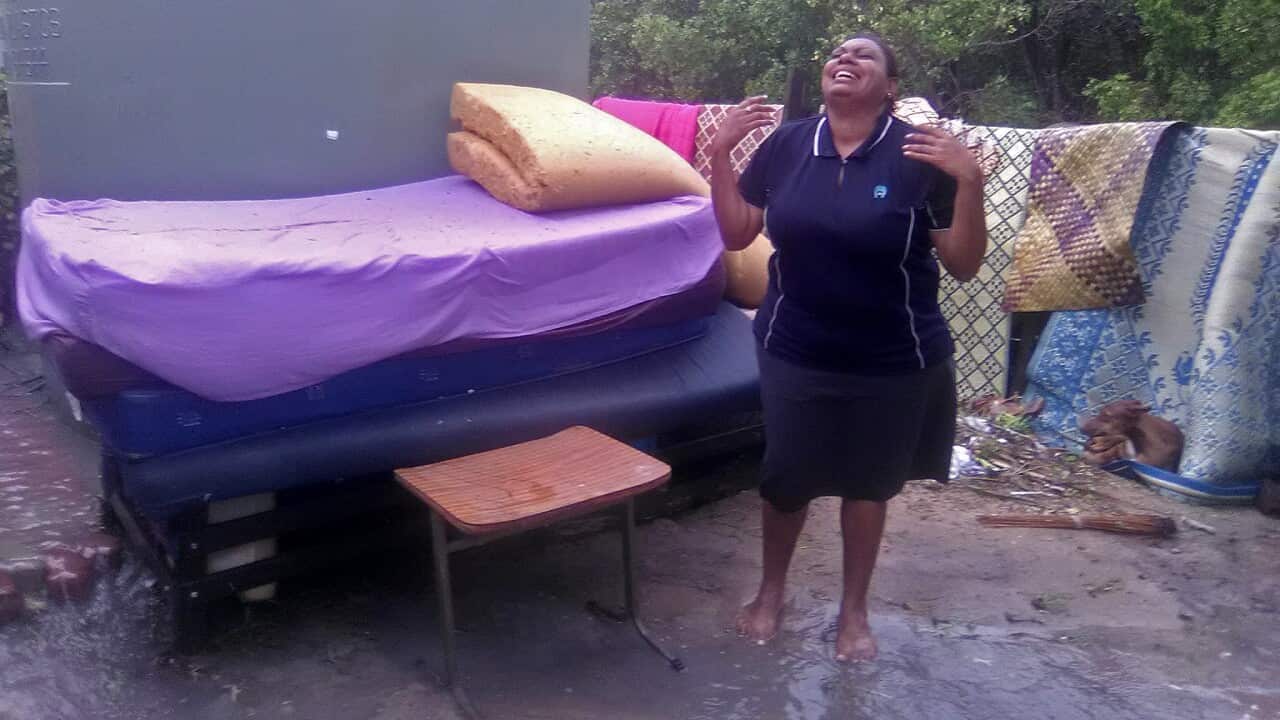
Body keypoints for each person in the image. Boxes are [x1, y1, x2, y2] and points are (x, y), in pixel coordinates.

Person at [709, 32, 987, 662]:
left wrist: (968, 179)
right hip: (794, 345)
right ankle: (770, 592)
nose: (845, 60)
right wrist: (722, 152)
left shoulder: (920, 154)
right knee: (786, 480)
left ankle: (853, 611)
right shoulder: (786, 145)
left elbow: (966, 265)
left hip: (892, 354)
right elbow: (735, 231)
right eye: (837, 53)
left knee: (868, 485)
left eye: (864, 56)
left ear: (890, 86)